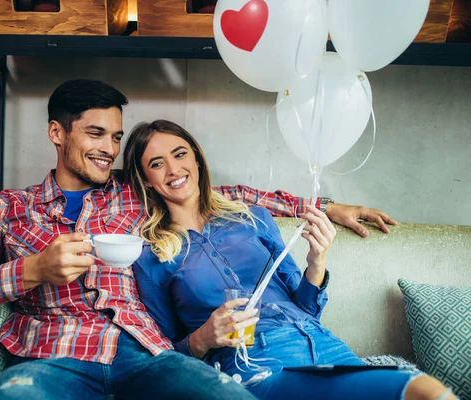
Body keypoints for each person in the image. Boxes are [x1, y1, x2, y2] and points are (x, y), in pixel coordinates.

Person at [0, 80, 396, 399]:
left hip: (151, 356)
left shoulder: (134, 194)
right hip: (55, 358)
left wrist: (327, 206)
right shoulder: (6, 210)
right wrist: (32, 270)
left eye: (116, 136)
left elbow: (227, 194)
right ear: (56, 133)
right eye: (95, 134)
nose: (108, 148)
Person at [124, 120, 458, 400]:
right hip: (254, 364)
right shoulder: (150, 255)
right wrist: (202, 338)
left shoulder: (252, 218)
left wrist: (317, 261)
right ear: (146, 180)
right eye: (156, 163)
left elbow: (306, 307)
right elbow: (161, 356)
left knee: (423, 389)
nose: (173, 169)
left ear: (196, 160)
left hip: (327, 347)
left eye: (180, 154)